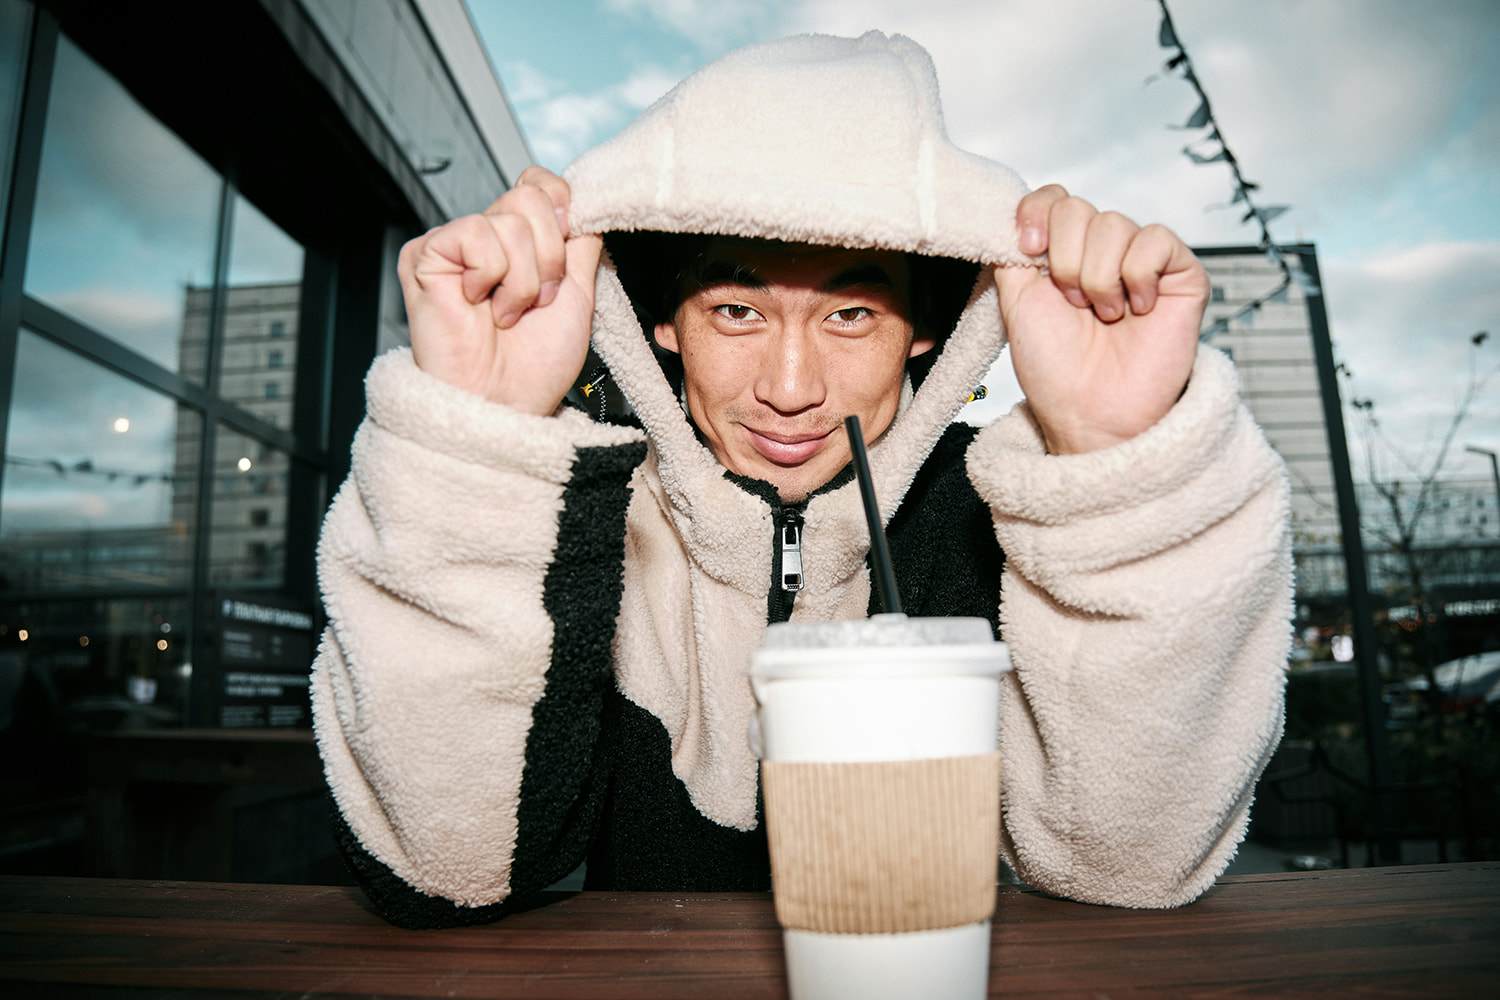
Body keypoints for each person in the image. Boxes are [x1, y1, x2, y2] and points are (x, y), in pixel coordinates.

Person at [310, 32, 1292, 929]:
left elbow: (1131, 862)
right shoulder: (565, 514)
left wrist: (1111, 462)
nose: (790, 390)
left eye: (851, 314)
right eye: (737, 308)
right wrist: (482, 447)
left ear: (925, 331)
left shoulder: (1016, 513)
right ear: (660, 322)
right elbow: (440, 866)